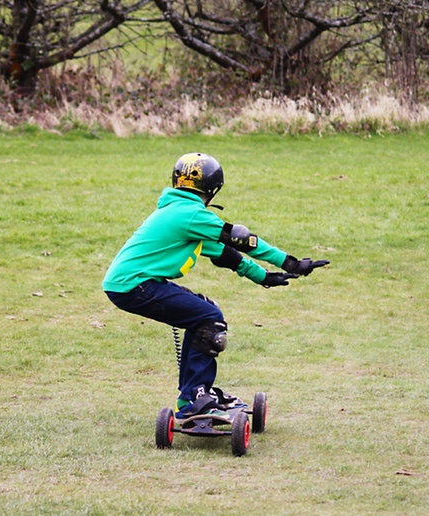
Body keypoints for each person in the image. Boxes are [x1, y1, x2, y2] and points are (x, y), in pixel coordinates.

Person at [103, 152, 328, 419]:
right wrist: (290, 263)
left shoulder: (179, 212)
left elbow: (224, 253)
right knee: (210, 318)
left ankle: (192, 395)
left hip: (129, 284)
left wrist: (263, 277)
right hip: (135, 285)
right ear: (214, 187)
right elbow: (241, 240)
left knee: (204, 312)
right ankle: (196, 396)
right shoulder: (190, 214)